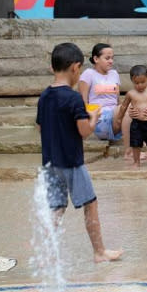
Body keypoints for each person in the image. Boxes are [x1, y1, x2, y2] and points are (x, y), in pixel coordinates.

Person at [36, 42, 122, 263]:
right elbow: (83, 131)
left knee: (56, 207)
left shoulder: (45, 96)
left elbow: (40, 127)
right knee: (90, 204)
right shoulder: (73, 98)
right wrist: (93, 118)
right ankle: (99, 252)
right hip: (72, 162)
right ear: (75, 68)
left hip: (50, 161)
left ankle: (47, 253)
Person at [78, 43, 136, 161]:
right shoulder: (88, 74)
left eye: (112, 58)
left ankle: (136, 147)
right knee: (128, 107)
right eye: (107, 58)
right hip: (99, 120)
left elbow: (118, 100)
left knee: (136, 106)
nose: (111, 61)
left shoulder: (114, 74)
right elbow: (82, 102)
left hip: (116, 116)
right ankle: (129, 152)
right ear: (96, 59)